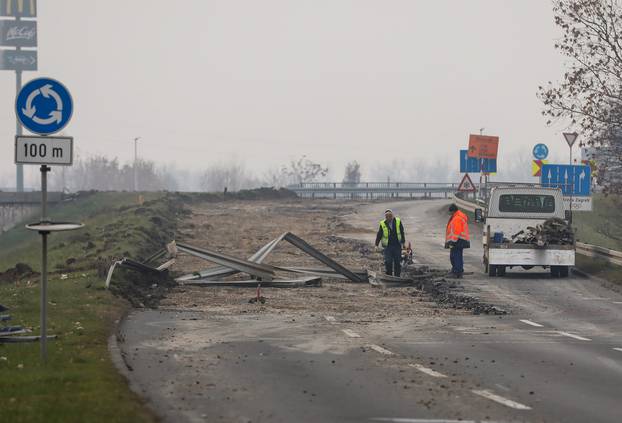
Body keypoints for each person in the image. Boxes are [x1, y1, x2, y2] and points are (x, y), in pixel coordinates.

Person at [374, 209, 406, 277]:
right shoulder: (383, 223)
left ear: (392, 216)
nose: (389, 218)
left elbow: (402, 232)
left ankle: (397, 277)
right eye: (387, 216)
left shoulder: (398, 221)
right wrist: (376, 245)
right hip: (387, 246)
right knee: (388, 262)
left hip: (397, 245)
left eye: (390, 216)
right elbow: (379, 234)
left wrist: (403, 243)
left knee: (397, 262)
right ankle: (389, 276)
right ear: (385, 217)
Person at [445, 204, 470, 278]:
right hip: (460, 240)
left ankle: (457, 272)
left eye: (450, 212)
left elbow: (456, 231)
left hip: (458, 240)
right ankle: (457, 271)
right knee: (457, 256)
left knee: (455, 256)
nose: (449, 214)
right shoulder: (458, 216)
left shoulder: (457, 218)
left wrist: (452, 242)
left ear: (453, 211)